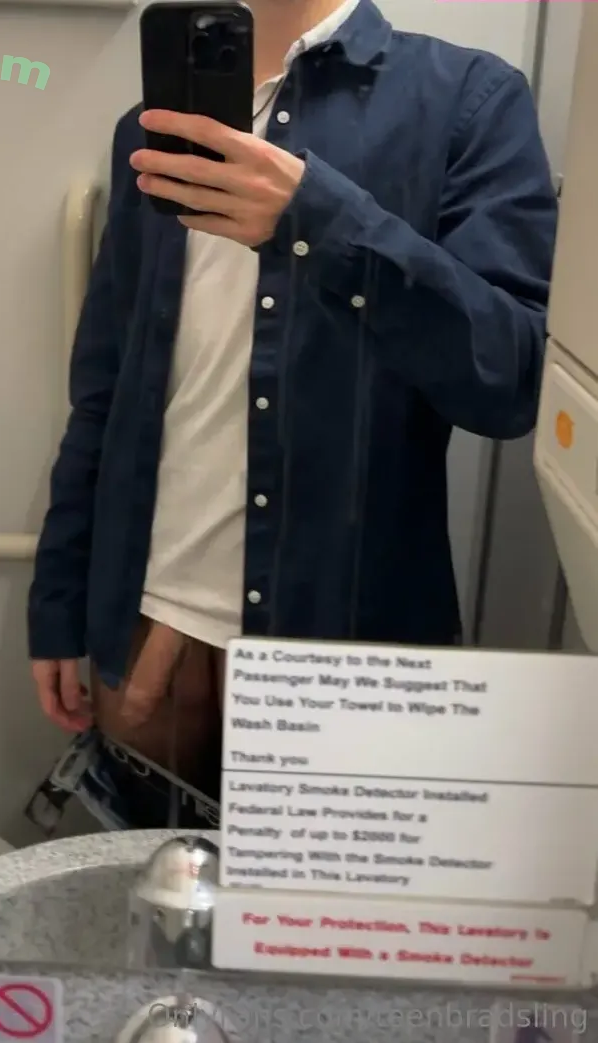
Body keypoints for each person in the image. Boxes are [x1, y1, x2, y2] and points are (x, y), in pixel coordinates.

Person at [27, 0, 557, 819]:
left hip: (346, 649)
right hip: (148, 625)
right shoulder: (153, 128)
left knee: (331, 899)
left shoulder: (467, 99)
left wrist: (317, 219)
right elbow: (105, 385)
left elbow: (510, 378)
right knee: (141, 892)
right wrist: (59, 598)